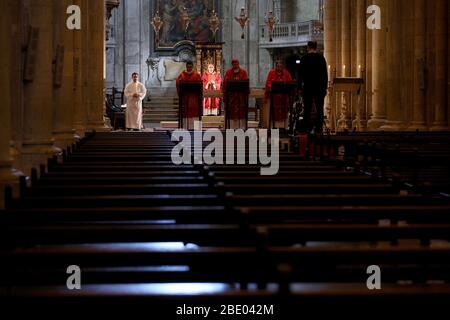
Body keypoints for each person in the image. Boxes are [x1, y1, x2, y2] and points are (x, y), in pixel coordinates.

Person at [298, 41, 328, 133]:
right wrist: (324, 87)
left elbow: (300, 74)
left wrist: (299, 87)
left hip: (308, 87)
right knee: (319, 108)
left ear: (308, 47)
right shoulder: (321, 58)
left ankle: (307, 128)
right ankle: (319, 129)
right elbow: (324, 74)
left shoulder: (304, 58)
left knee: (307, 108)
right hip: (319, 87)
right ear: (316, 47)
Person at [264, 60, 293, 129]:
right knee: (274, 112)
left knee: (284, 112)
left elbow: (290, 83)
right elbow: (268, 83)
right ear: (275, 66)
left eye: (280, 66)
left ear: (283, 66)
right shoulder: (271, 73)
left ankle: (283, 128)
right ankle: (274, 128)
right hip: (274, 97)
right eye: (278, 66)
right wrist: (271, 87)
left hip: (284, 97)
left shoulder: (286, 73)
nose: (279, 67)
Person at [222, 59, 250, 128]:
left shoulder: (243, 72)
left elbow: (246, 84)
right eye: (234, 64)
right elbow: (225, 84)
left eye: (236, 64)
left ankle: (242, 129)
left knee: (241, 114)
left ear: (238, 64)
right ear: (232, 65)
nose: (235, 65)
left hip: (241, 98)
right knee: (231, 114)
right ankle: (231, 128)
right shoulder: (228, 72)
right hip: (231, 98)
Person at [176, 61, 202, 129]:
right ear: (186, 66)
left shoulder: (197, 75)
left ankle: (196, 128)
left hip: (194, 99)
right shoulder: (182, 75)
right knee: (185, 112)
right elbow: (178, 84)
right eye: (188, 67)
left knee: (194, 112)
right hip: (185, 98)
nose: (189, 68)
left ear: (192, 67)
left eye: (190, 67)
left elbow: (200, 85)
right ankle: (185, 128)